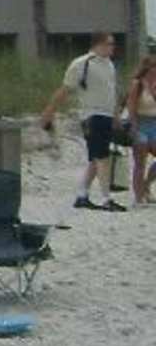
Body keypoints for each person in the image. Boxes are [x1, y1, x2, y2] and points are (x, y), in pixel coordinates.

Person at [40, 31, 121, 211]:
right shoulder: (82, 63)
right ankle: (106, 198)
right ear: (98, 44)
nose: (112, 48)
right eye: (109, 44)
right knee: (102, 157)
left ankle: (82, 195)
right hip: (91, 114)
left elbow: (112, 91)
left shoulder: (109, 65)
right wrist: (49, 112)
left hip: (107, 114)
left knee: (96, 157)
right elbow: (65, 89)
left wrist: (116, 115)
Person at [124, 55, 156, 207]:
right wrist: (134, 127)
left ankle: (146, 185)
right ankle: (138, 198)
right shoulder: (137, 84)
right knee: (140, 163)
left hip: (154, 122)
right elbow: (131, 107)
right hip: (140, 123)